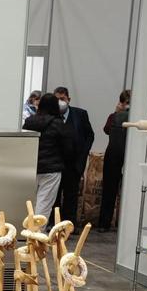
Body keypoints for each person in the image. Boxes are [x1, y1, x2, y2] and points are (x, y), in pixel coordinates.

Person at [23, 94, 74, 222]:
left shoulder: (29, 122)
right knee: (44, 205)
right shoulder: (58, 123)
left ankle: (27, 234)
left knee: (30, 203)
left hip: (31, 168)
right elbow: (68, 148)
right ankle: (38, 236)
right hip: (52, 170)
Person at [53, 86, 94, 225]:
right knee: (55, 196)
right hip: (56, 163)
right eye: (57, 99)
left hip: (74, 163)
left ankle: (69, 224)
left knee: (71, 195)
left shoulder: (80, 114)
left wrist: (83, 154)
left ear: (68, 99)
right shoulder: (51, 116)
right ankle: (55, 223)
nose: (60, 102)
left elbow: (90, 135)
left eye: (62, 99)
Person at [98, 89, 131, 232]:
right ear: (122, 103)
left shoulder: (115, 116)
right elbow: (106, 129)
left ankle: (104, 223)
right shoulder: (118, 116)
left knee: (110, 190)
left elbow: (106, 130)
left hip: (114, 154)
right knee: (111, 190)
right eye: (127, 102)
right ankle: (112, 223)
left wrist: (116, 113)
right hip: (121, 154)